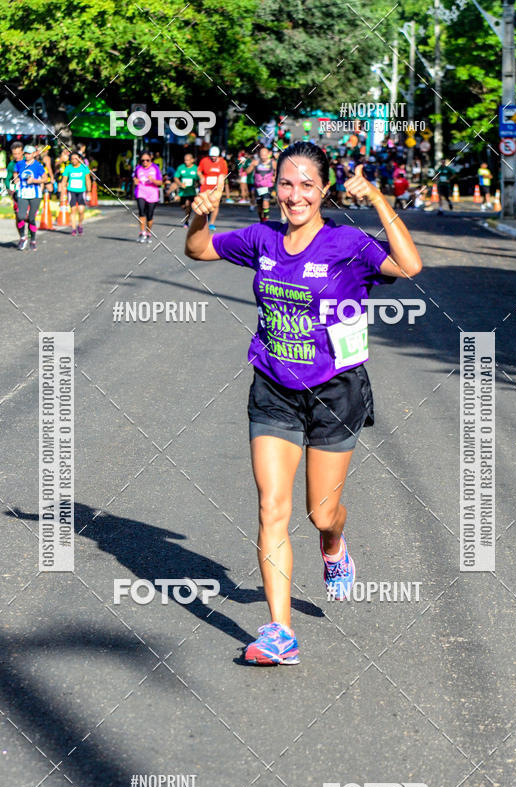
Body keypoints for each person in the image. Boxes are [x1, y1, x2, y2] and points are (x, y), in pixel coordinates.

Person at [184, 141, 421, 665]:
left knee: (320, 512)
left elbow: (408, 266)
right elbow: (199, 251)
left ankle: (334, 545)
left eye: (307, 185)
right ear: (276, 188)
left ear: (324, 191)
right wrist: (198, 219)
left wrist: (379, 198)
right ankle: (279, 631)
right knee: (272, 507)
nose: (295, 195)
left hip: (336, 392)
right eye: (287, 184)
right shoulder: (262, 238)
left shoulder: (348, 244)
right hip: (272, 389)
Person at [13, 144, 46, 250]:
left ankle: (33, 240)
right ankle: (23, 237)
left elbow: (45, 179)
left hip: (35, 195)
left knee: (31, 218)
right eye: (26, 153)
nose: (27, 155)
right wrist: (16, 179)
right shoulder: (20, 163)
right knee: (21, 216)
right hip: (23, 194)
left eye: (29, 153)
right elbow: (15, 173)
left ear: (34, 154)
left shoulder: (38, 165)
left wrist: (34, 181)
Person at [133, 149, 163, 242]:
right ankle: (142, 233)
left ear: (151, 159)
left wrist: (153, 180)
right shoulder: (138, 168)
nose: (145, 162)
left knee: (149, 216)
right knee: (141, 212)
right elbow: (134, 177)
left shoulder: (155, 168)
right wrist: (135, 181)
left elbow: (160, 182)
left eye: (147, 160)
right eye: (143, 160)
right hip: (141, 192)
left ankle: (148, 233)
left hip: (152, 194)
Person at [60, 150, 91, 236]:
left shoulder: (84, 168)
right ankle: (73, 229)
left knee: (81, 210)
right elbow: (64, 181)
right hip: (71, 191)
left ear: (80, 159)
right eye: (72, 159)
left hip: (82, 191)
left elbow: (88, 180)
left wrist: (89, 191)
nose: (74, 160)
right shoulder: (68, 168)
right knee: (73, 210)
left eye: (76, 159)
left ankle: (80, 225)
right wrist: (63, 193)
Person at [197, 145, 228, 231]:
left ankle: (211, 223)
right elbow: (199, 171)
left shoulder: (222, 162)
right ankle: (203, 222)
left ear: (218, 155)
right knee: (204, 203)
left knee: (215, 204)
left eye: (215, 156)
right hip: (205, 186)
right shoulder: (204, 161)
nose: (213, 158)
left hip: (216, 186)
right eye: (212, 156)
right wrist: (201, 177)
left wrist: (220, 186)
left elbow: (223, 174)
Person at [246, 145, 276, 222]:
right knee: (259, 205)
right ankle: (262, 220)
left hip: (268, 186)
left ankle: (266, 221)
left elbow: (277, 171)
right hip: (258, 186)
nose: (263, 156)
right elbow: (247, 172)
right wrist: (252, 165)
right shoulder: (255, 162)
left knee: (265, 202)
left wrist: (274, 177)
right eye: (262, 155)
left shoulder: (272, 163)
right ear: (259, 154)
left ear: (268, 154)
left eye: (265, 155)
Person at [171, 151, 199, 227]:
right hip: (182, 192)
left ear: (192, 160)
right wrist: (180, 184)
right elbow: (176, 177)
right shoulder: (181, 167)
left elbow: (199, 179)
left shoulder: (196, 169)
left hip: (191, 192)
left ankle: (186, 221)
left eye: (188, 160)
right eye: (185, 160)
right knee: (184, 206)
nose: (186, 162)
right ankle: (187, 215)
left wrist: (197, 184)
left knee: (188, 204)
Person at [5, 141, 24, 239]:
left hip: (30, 193)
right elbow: (7, 179)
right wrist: (10, 190)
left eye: (18, 153)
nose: (16, 156)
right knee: (18, 216)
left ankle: (30, 231)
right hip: (17, 193)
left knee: (28, 217)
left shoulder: (29, 162)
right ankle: (22, 236)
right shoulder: (11, 165)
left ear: (23, 152)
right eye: (14, 154)